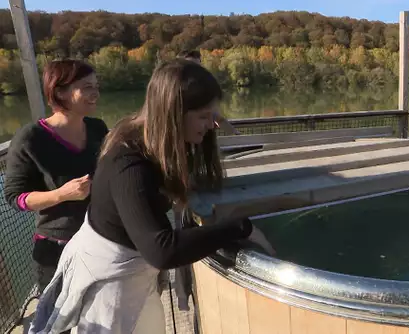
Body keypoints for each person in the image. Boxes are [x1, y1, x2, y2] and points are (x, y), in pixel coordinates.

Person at [28, 60, 273, 334]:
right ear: (174, 114)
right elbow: (162, 250)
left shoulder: (148, 138)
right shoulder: (129, 163)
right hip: (110, 289)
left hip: (132, 277)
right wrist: (241, 228)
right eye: (204, 116)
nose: (211, 124)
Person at [3, 59, 108, 292]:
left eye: (96, 86)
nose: (95, 93)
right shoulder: (31, 137)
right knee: (58, 324)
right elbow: (15, 198)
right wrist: (61, 194)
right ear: (60, 92)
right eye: (87, 87)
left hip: (101, 240)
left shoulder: (97, 129)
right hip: (57, 251)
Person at [176, 49, 241, 135]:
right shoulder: (171, 99)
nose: (197, 73)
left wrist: (237, 136)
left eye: (199, 68)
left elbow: (219, 119)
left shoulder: (204, 97)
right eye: (191, 68)